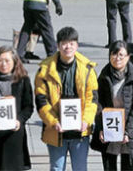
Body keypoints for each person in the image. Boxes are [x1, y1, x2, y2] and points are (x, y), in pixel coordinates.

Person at [34, 27, 98, 171]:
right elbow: (41, 101)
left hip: (80, 131)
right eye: (64, 43)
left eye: (71, 43)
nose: (67, 46)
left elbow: (92, 99)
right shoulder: (44, 70)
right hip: (56, 129)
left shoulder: (87, 69)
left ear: (77, 45)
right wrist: (53, 121)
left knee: (80, 168)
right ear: (58, 45)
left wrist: (86, 120)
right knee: (57, 168)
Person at [90, 41, 133, 171]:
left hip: (128, 130)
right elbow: (97, 103)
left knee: (127, 166)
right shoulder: (103, 77)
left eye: (121, 55)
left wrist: (129, 130)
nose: (118, 58)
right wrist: (101, 127)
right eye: (114, 54)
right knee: (109, 166)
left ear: (128, 57)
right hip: (109, 128)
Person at [0, 46, 34, 171]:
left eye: (7, 61)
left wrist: (19, 120)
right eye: (0, 61)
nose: (3, 64)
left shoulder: (23, 80)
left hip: (14, 133)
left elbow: (28, 107)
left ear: (14, 62)